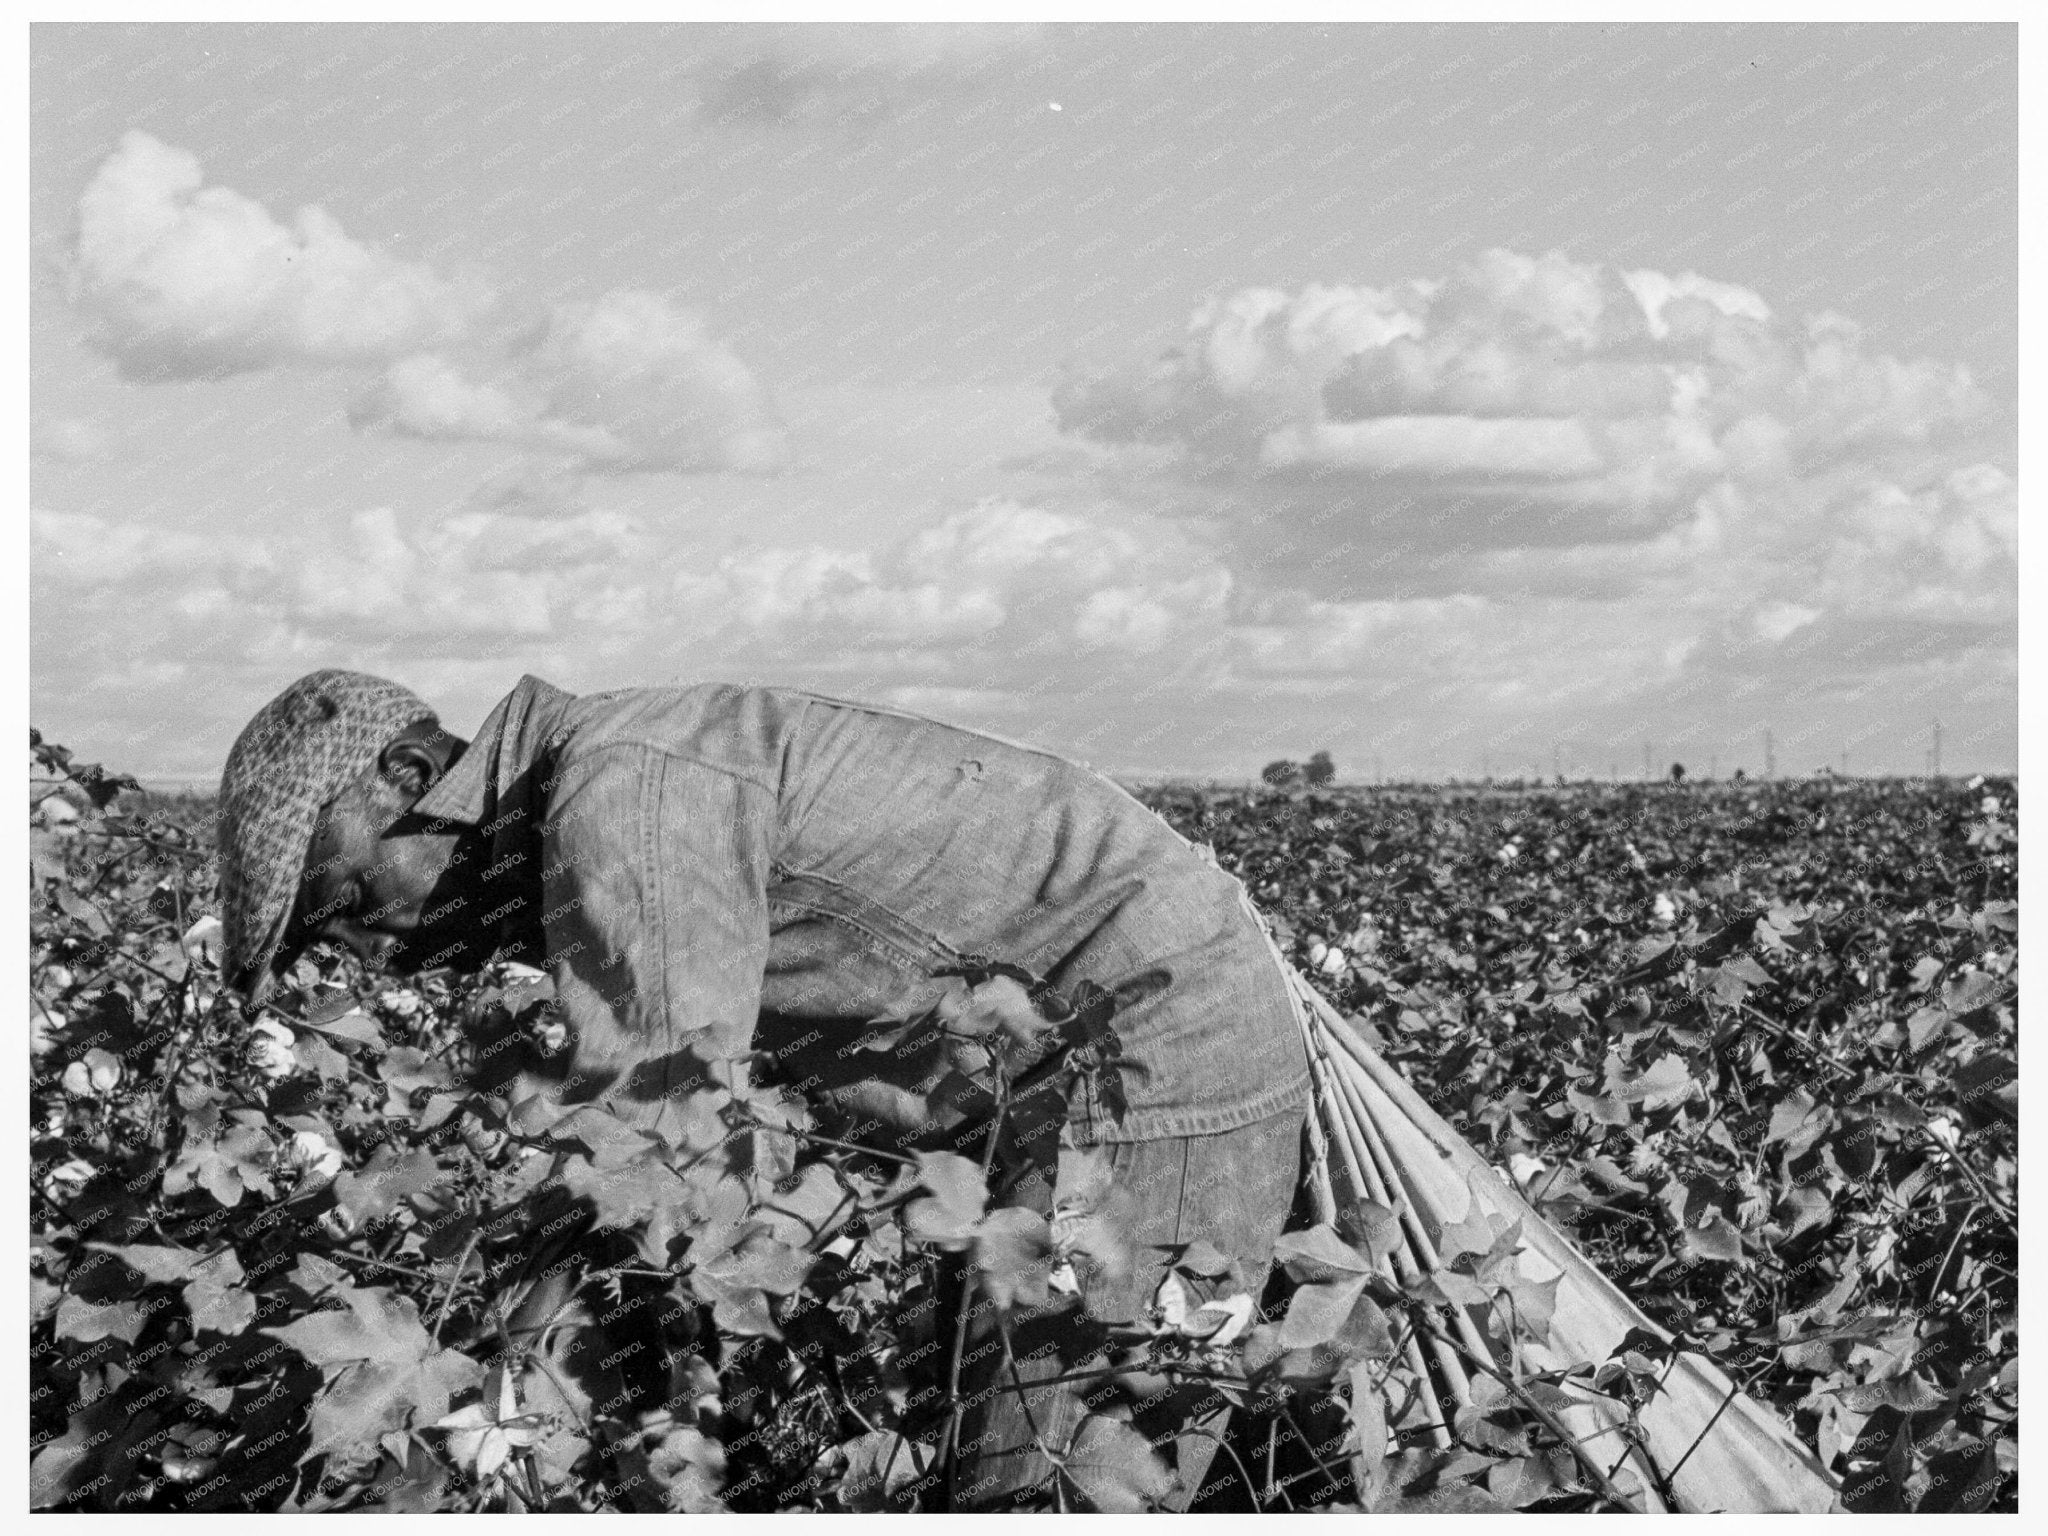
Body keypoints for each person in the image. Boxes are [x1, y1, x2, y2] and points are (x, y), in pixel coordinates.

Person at [216, 668, 1314, 1511]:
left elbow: (657, 1134)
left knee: (1058, 1481)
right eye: (340, 940)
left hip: (1153, 1044)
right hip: (1034, 1083)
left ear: (411, 781)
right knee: (999, 1433)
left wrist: (497, 1397)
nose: (382, 952)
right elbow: (717, 1117)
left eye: (351, 894)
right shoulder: (609, 783)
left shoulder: (620, 794)